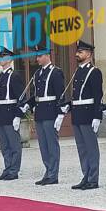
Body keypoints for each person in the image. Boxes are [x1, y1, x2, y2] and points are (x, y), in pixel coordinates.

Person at [64, 39, 103, 190]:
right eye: (77, 51)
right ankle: (85, 176)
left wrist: (97, 116)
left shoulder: (94, 72)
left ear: (89, 54)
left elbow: (97, 96)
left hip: (88, 115)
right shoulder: (78, 71)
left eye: (80, 52)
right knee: (82, 148)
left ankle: (93, 178)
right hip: (78, 114)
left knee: (91, 148)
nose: (77, 54)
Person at [29, 44, 66, 186]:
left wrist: (60, 114)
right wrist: (29, 105)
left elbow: (60, 95)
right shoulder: (38, 74)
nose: (37, 59)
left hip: (51, 112)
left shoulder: (56, 72)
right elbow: (36, 95)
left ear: (47, 56)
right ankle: (48, 170)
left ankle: (53, 173)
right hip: (40, 111)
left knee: (51, 144)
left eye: (39, 56)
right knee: (43, 145)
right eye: (36, 56)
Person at [0, 46, 26, 180]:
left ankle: (14, 170)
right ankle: (7, 168)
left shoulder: (14, 75)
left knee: (14, 144)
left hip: (11, 113)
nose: (1, 59)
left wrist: (18, 116)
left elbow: (21, 98)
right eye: (0, 57)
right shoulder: (0, 76)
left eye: (4, 57)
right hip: (1, 114)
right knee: (4, 145)